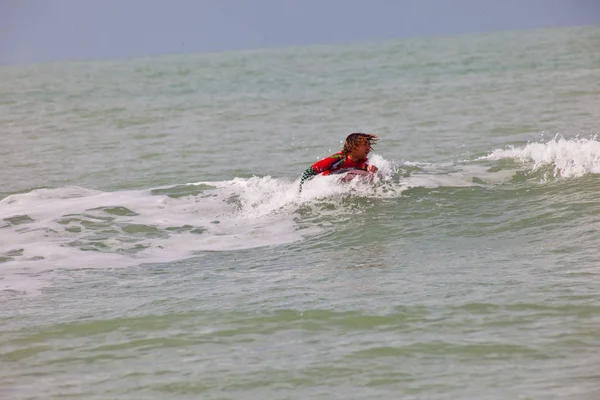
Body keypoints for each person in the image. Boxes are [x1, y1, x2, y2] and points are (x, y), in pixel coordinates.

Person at [299, 133, 379, 189]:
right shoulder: (338, 158)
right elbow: (308, 172)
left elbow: (367, 170)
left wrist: (373, 169)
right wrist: (300, 191)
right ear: (354, 147)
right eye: (365, 145)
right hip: (324, 186)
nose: (368, 148)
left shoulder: (363, 162)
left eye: (369, 144)